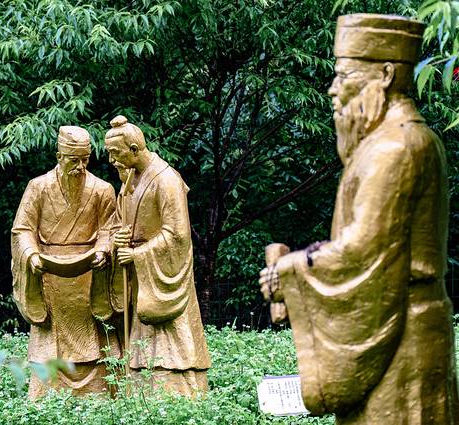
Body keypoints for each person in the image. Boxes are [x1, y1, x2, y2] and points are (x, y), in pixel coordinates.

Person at [259, 14, 459, 424]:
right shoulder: (391, 141)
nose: (333, 89)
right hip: (404, 330)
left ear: (385, 74)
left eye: (344, 76)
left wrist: (289, 272)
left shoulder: (397, 147)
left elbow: (363, 251)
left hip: (404, 340)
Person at [104, 115, 211, 396]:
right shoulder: (130, 179)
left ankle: (179, 387)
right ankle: (142, 387)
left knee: (172, 333)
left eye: (116, 153)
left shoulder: (166, 179)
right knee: (142, 338)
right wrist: (118, 237)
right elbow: (119, 220)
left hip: (159, 272)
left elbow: (177, 234)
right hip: (140, 274)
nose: (112, 160)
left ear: (134, 149)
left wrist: (138, 254)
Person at [11, 126, 119, 399]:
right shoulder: (38, 187)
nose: (80, 167)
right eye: (74, 160)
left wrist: (103, 252)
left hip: (89, 277)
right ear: (59, 156)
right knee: (50, 346)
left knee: (94, 342)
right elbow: (22, 230)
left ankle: (98, 391)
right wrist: (31, 255)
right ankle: (47, 393)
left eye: (85, 160)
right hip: (50, 275)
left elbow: (110, 229)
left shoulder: (102, 190)